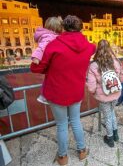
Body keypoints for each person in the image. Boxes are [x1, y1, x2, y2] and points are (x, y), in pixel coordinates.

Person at [31, 15, 95, 165]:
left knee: (61, 124)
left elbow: (36, 67)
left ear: (63, 27)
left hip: (57, 92)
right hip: (76, 91)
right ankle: (82, 151)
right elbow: (95, 47)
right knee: (76, 121)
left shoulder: (53, 45)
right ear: (81, 28)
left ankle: (63, 156)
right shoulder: (88, 46)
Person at [86, 39, 123, 147]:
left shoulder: (94, 65)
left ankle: (110, 138)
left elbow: (91, 87)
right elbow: (122, 78)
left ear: (98, 50)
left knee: (107, 116)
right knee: (112, 113)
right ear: (109, 49)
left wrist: (94, 92)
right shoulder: (116, 62)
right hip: (116, 94)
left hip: (103, 97)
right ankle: (116, 134)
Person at [31, 16, 64, 104]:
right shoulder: (50, 37)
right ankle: (44, 96)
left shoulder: (49, 35)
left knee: (48, 80)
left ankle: (44, 96)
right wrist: (36, 57)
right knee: (49, 81)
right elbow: (41, 47)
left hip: (50, 63)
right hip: (50, 62)